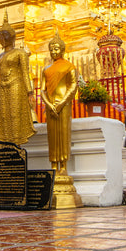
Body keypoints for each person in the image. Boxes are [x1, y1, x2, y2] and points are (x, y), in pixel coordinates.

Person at [0, 14, 35, 146]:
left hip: (16, 85)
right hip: (4, 87)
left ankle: (16, 144)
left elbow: (24, 73)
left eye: (5, 35)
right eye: (0, 36)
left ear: (12, 37)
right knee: (4, 116)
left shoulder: (20, 53)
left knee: (15, 115)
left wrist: (30, 92)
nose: (2, 39)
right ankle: (6, 144)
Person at [40, 32, 75, 175]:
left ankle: (64, 165)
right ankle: (54, 163)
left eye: (56, 49)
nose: (54, 52)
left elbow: (73, 86)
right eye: (51, 49)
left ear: (62, 50)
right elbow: (42, 90)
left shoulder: (69, 67)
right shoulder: (46, 69)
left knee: (63, 134)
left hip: (64, 105)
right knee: (52, 136)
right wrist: (48, 104)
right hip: (51, 106)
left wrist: (62, 102)